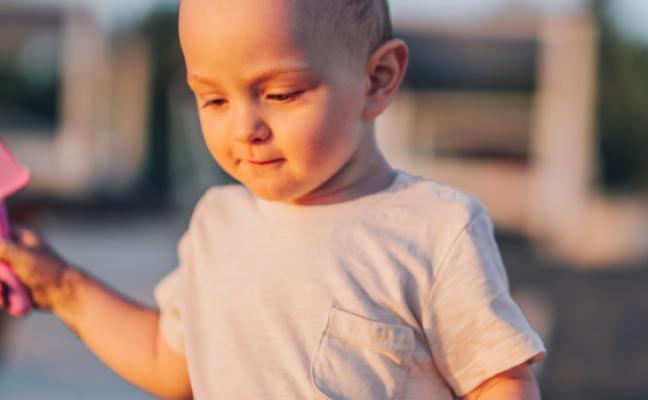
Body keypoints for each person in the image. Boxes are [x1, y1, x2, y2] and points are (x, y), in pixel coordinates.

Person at [0, 0, 547, 398]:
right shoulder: (217, 225)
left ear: (377, 80)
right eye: (213, 99)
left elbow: (497, 381)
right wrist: (63, 288)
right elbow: (167, 360)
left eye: (281, 94)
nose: (245, 128)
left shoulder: (433, 228)